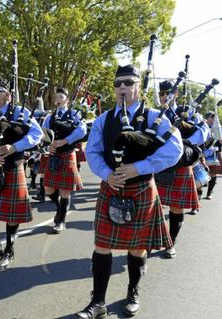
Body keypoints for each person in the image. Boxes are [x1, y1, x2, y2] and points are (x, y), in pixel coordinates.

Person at [79, 65, 182, 318]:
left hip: (141, 187)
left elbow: (174, 149)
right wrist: (106, 174)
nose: (122, 87)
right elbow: (92, 151)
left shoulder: (155, 117)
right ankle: (98, 302)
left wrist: (139, 167)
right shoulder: (104, 120)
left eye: (127, 82)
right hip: (111, 187)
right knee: (102, 245)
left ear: (138, 86)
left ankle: (133, 291)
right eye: (118, 83)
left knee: (137, 248)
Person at [0, 78, 43, 271]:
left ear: (8, 94)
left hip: (13, 168)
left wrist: (15, 147)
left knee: (11, 216)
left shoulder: (22, 113)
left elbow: (36, 135)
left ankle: (9, 250)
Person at [154, 80, 209, 258]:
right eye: (162, 94)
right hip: (158, 164)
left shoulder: (188, 111)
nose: (164, 97)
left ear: (175, 94)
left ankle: (171, 242)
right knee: (154, 207)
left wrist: (184, 142)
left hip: (180, 165)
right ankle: (154, 239)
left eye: (168, 93)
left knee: (177, 208)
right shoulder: (153, 113)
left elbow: (204, 132)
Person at [42, 87, 87, 233]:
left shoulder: (74, 114)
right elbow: (43, 133)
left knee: (64, 192)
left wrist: (65, 141)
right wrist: (48, 147)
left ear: (67, 99)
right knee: (48, 188)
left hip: (67, 153)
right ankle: (60, 208)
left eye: (61, 96)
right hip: (54, 155)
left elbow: (82, 130)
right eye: (56, 96)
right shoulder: (50, 116)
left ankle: (60, 221)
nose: (57, 98)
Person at [203, 111, 222, 200]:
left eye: (213, 117)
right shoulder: (202, 128)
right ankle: (197, 196)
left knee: (213, 174)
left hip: (215, 154)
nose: (211, 119)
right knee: (200, 174)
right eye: (210, 117)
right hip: (202, 154)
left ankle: (209, 192)